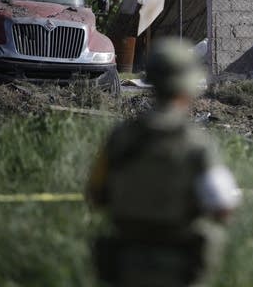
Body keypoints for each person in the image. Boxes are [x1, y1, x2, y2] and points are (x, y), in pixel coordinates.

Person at [87, 37, 240, 287]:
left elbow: (95, 195)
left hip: (125, 264)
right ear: (187, 87)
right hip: (178, 266)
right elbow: (222, 207)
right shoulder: (196, 144)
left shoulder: (120, 137)